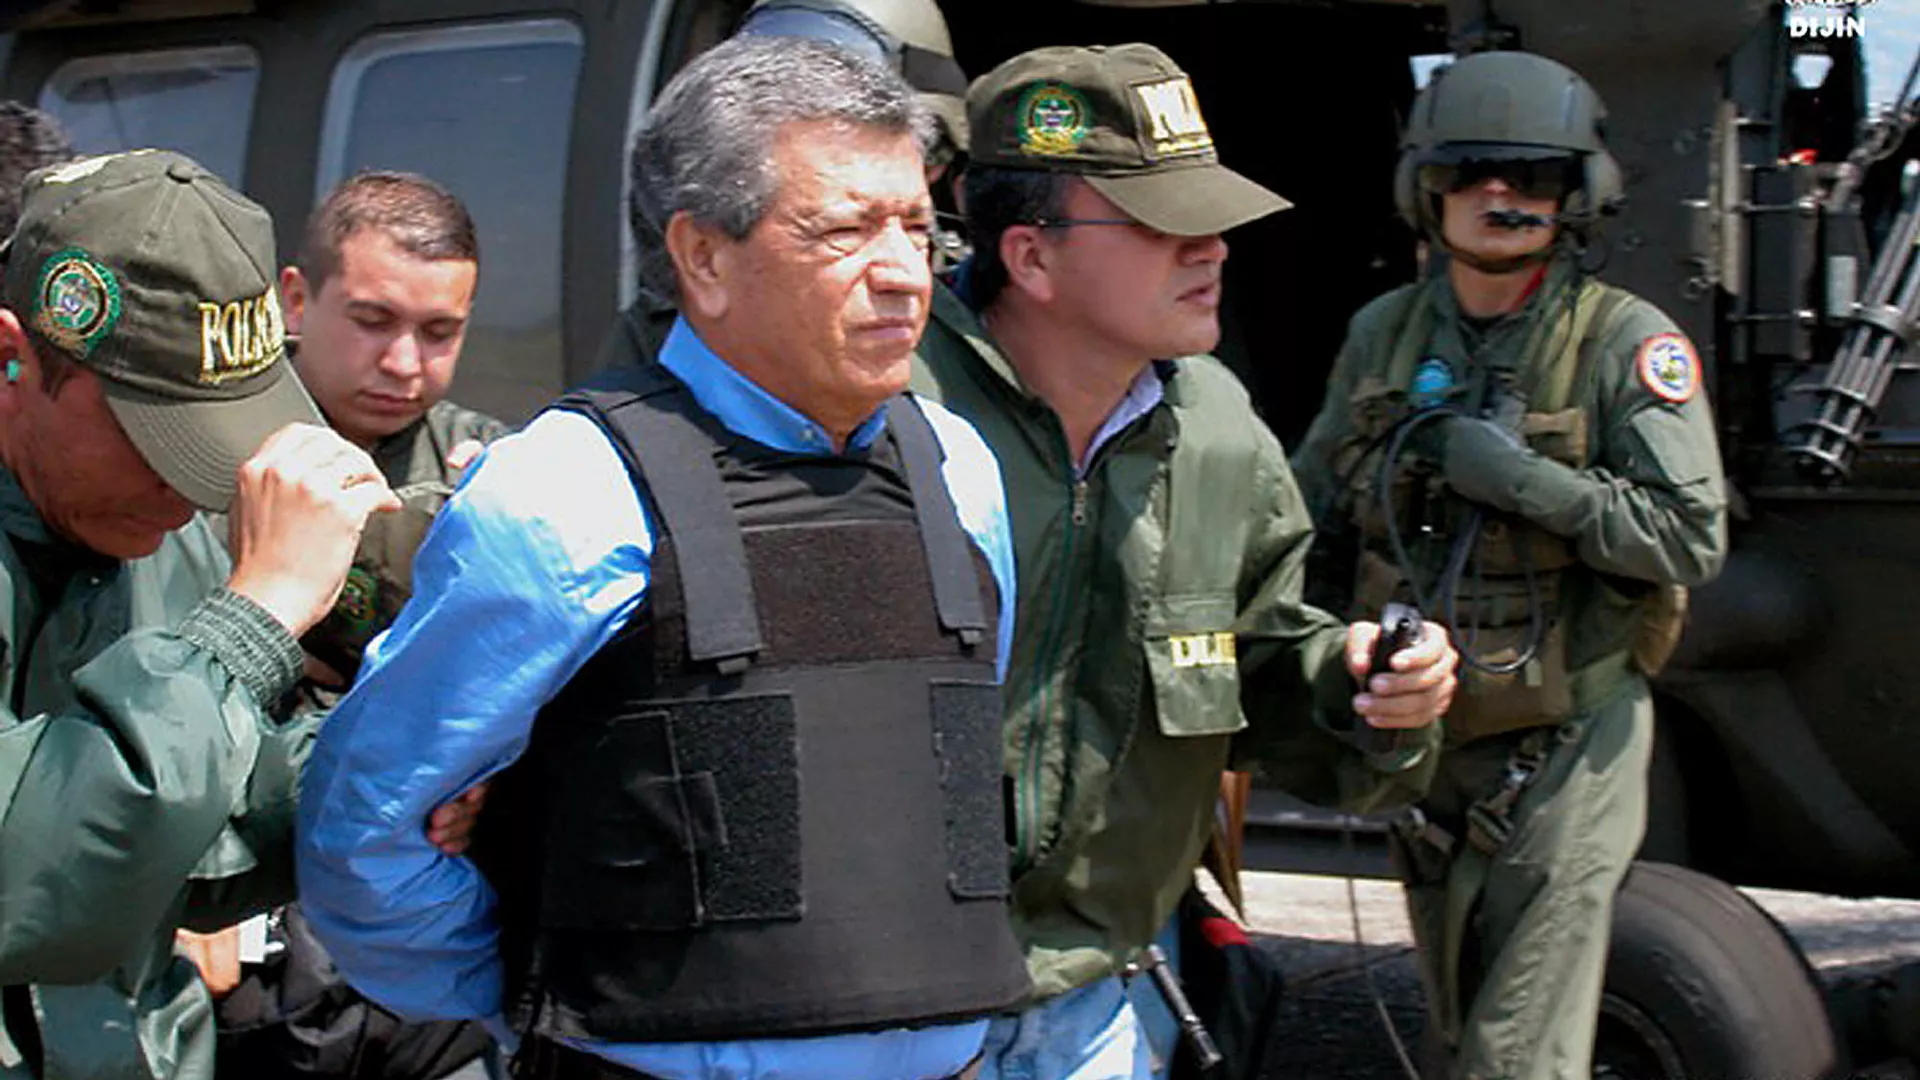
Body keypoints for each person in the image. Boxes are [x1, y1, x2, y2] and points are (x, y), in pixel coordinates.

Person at [298, 36, 1031, 1080]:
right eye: (845, 231)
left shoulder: (958, 471)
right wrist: (532, 1000)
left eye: (918, 228)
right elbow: (368, 831)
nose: (905, 274)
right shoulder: (570, 493)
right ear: (703, 257)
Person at [908, 43, 1459, 1080]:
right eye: (1161, 224)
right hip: (892, 1012)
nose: (1212, 249)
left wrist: (1365, 691)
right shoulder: (890, 411)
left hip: (1099, 1008)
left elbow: (1263, 666)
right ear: (1029, 257)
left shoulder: (1216, 433)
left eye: (1210, 218)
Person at [1292, 51, 1729, 1080]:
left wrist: (1527, 483)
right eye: (1471, 171)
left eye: (1532, 174)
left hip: (1568, 744)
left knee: (1513, 1056)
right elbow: (1307, 516)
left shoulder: (1624, 342)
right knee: (1459, 1033)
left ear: (1576, 192)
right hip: (1430, 746)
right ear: (1426, 189)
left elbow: (1689, 537)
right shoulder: (1384, 336)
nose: (1501, 194)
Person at [0, 148, 402, 1079]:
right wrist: (247, 627)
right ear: (12, 360)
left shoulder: (153, 534)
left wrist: (392, 762)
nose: (187, 493)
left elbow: (200, 843)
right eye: (155, 437)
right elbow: (30, 872)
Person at [211, 171, 508, 1080]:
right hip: (242, 927)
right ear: (296, 299)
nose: (405, 364)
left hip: (430, 961)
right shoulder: (200, 456)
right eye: (374, 322)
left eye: (439, 333)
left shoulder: (492, 472)